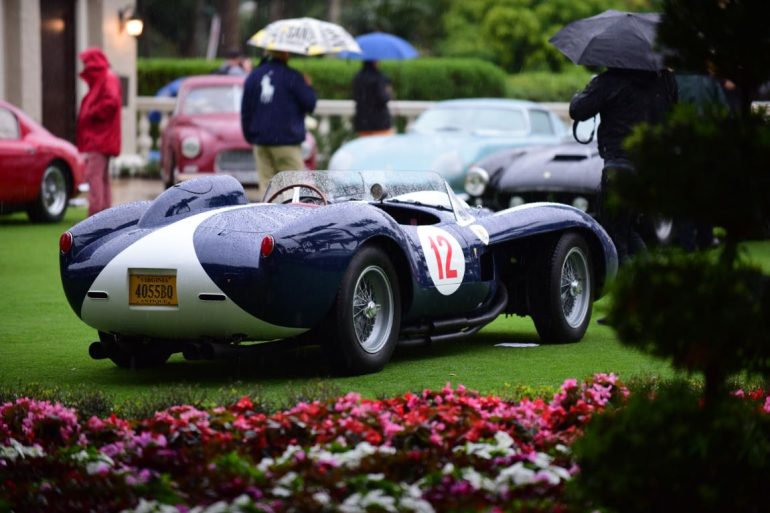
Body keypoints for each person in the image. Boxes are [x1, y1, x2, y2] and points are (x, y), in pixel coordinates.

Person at [570, 67, 677, 263]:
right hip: (650, 167)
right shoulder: (664, 80)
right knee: (629, 230)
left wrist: (585, 91)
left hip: (619, 166)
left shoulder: (610, 80)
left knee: (614, 236)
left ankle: (629, 284)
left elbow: (577, 109)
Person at [241, 50, 317, 194]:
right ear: (286, 54)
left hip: (261, 141)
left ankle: (269, 215)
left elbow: (246, 110)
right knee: (292, 187)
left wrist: (251, 136)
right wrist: (308, 86)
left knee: (267, 189)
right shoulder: (293, 76)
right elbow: (310, 104)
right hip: (286, 140)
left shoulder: (254, 76)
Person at [76, 48, 122, 216]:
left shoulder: (107, 78)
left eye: (86, 62)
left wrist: (90, 112)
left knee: (94, 176)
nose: (85, 66)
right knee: (101, 178)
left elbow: (110, 103)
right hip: (101, 137)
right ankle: (103, 214)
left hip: (100, 138)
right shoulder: (106, 78)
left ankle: (96, 215)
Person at [352, 60, 394, 137]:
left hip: (362, 122)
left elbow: (355, 97)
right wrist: (389, 93)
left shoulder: (358, 77)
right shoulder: (379, 77)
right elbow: (383, 98)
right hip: (380, 123)